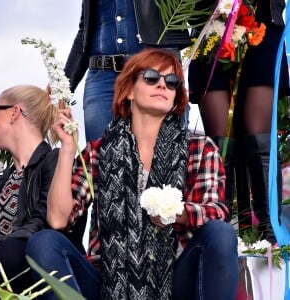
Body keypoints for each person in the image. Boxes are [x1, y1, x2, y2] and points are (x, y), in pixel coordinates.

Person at [27, 48, 238, 300]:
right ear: (129, 91)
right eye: (151, 77)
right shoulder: (98, 151)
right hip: (108, 282)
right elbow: (59, 219)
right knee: (43, 242)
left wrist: (178, 214)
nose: (162, 85)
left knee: (220, 233)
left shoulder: (199, 148)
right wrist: (67, 149)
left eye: (172, 82)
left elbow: (216, 212)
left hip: (174, 280)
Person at [188, 0, 289, 244]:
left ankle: (269, 234)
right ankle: (225, 235)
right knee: (222, 140)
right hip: (210, 23)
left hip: (262, 22)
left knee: (258, 135)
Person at [64, 0, 193, 141]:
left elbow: (196, 12)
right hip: (102, 78)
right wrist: (62, 88)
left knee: (166, 155)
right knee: (100, 156)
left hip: (157, 74)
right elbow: (85, 32)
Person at [0, 85, 60, 292]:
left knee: (10, 251)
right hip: (0, 272)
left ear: (14, 113)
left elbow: (44, 221)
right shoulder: (0, 179)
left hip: (34, 272)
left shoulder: (55, 161)